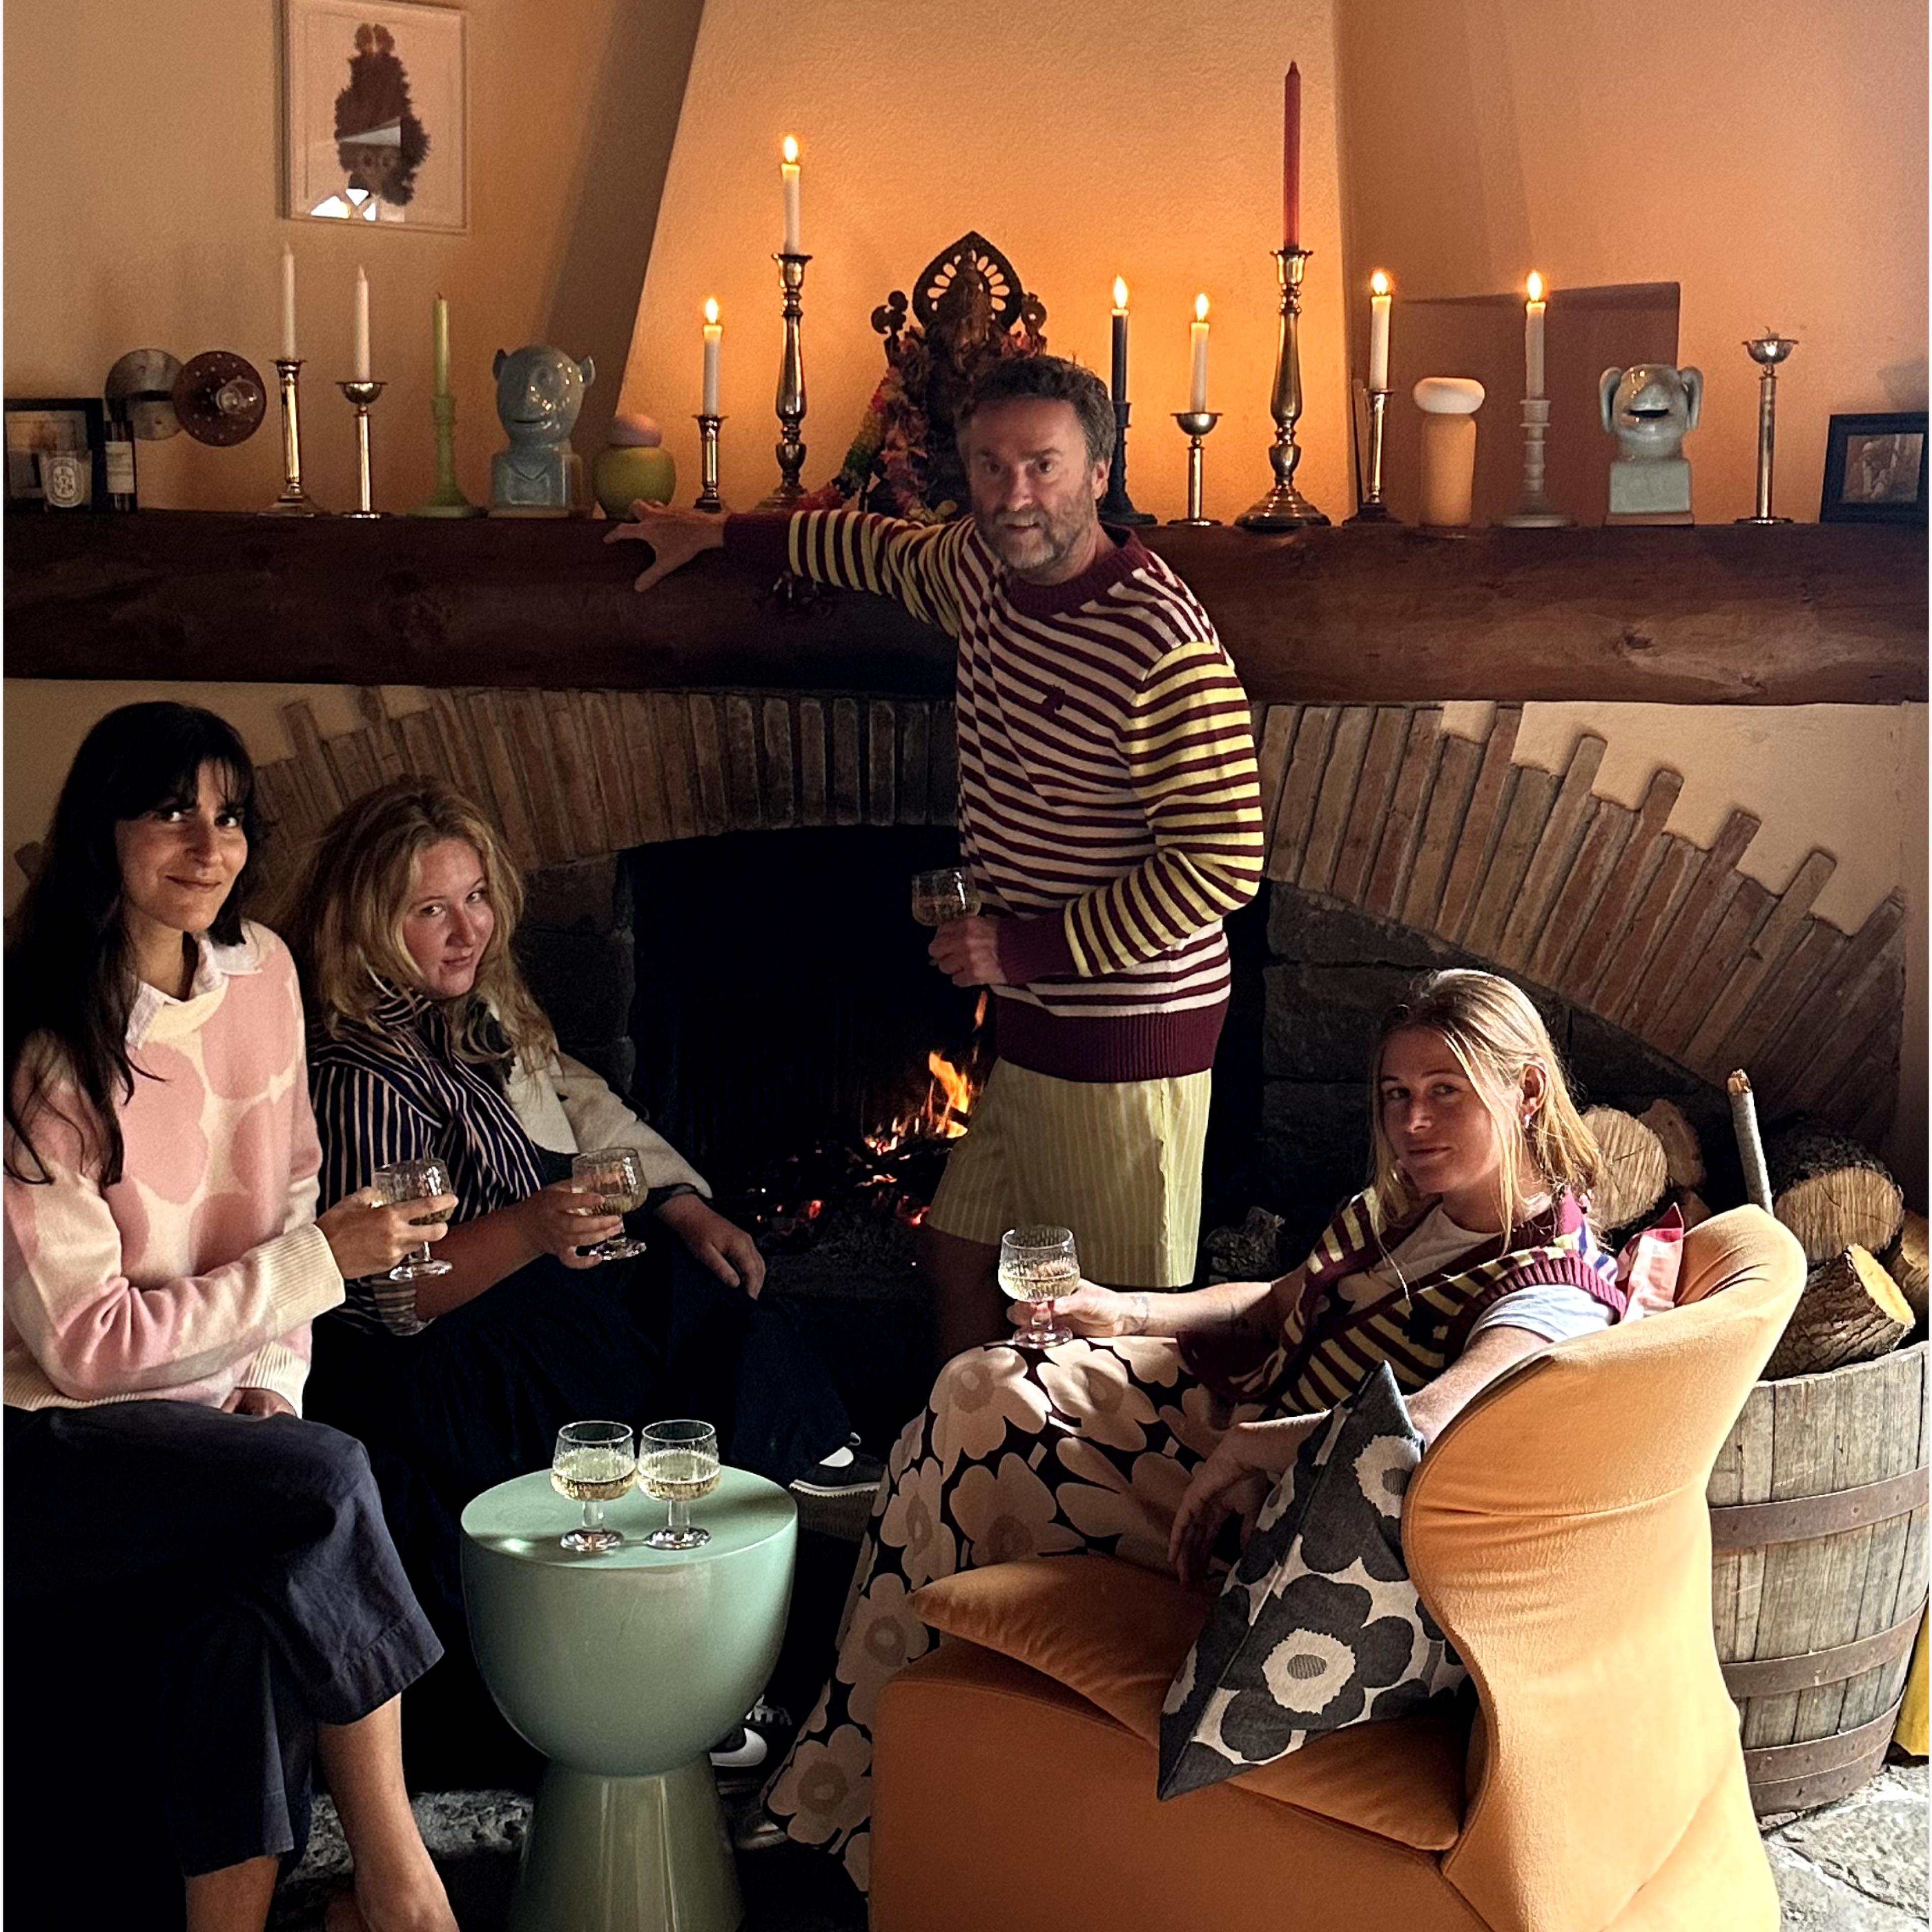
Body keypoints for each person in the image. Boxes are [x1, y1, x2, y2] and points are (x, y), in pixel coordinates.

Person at [739, 970, 1622, 1890]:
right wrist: (1123, 1312)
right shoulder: (1416, 1209)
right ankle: (870, 1787)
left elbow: (1431, 1426)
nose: (1413, 1123)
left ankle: (849, 1789)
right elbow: (1270, 1307)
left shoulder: (1547, 1281)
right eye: (1398, 1094)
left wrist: (1248, 1448)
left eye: (1446, 1091)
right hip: (1221, 1408)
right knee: (973, 1386)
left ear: (1525, 1090)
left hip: (1259, 1504)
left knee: (969, 1451)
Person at [611, 353, 1266, 1360]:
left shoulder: (1157, 640)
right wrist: (717, 534)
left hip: (1127, 1038)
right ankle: (963, 1463)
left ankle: (1114, 1509)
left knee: (1110, 1326)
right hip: (1032, 1030)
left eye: (1043, 465)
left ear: (1098, 472)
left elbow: (1222, 867)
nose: (1016, 494)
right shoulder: (979, 570)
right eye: (993, 466)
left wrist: (1024, 950)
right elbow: (873, 547)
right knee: (957, 1255)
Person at [281, 776, 880, 1776]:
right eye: (428, 909)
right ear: (368, 923)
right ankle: (684, 1656)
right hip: (436, 1354)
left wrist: (665, 1205)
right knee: (652, 1344)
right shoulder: (365, 1076)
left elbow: (571, 1103)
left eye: (475, 898)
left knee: (687, 1277)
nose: (463, 929)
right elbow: (397, 1295)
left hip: (516, 1292)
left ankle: (749, 1548)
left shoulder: (461, 1018)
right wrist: (531, 1228)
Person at [3, 702, 459, 1932]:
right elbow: (88, 1349)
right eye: (169, 813)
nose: (209, 846)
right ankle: (399, 1878)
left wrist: (275, 1380)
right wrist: (320, 1266)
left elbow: (294, 1184)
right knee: (323, 1487)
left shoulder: (262, 971)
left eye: (229, 816)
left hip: (203, 1432)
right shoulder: (45, 1054)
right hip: (44, 1448)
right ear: (102, 835)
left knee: (237, 1623)